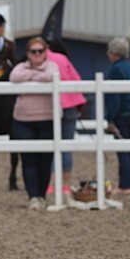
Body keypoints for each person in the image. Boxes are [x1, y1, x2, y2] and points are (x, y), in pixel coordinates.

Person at [10, 37, 60, 209]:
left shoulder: (52, 66)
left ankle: (42, 195)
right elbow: (14, 76)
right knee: (28, 159)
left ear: (46, 52)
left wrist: (30, 76)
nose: (37, 54)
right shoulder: (20, 67)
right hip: (23, 120)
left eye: (40, 51)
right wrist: (36, 74)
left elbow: (51, 76)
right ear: (28, 53)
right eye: (33, 51)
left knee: (45, 160)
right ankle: (33, 197)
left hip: (48, 119)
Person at [104, 37, 130, 194]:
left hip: (123, 113)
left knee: (122, 149)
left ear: (114, 53)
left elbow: (113, 97)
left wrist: (110, 118)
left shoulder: (115, 70)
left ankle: (126, 185)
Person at [45, 40, 86, 193]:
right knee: (67, 147)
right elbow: (77, 80)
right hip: (70, 105)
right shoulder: (63, 59)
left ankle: (50, 185)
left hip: (49, 106)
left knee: (51, 146)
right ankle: (65, 185)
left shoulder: (41, 59)